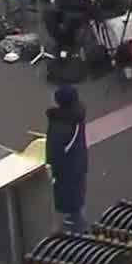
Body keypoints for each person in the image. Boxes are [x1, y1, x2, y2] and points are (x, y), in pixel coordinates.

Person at [44, 85, 88, 231]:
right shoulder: (76, 116)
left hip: (66, 174)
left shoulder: (60, 125)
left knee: (72, 211)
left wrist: (51, 172)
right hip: (78, 167)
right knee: (77, 204)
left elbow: (56, 154)